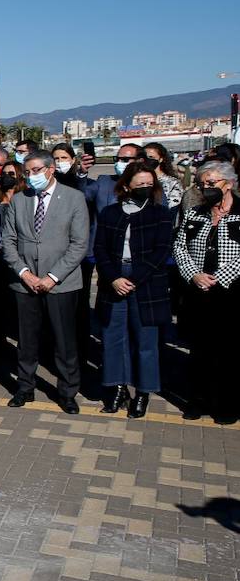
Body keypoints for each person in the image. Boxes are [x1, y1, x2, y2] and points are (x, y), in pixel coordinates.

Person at [1, 152, 90, 412]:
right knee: (27, 341)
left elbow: (79, 244)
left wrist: (52, 277)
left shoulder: (74, 198)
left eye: (35, 171)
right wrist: (24, 273)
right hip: (24, 282)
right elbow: (8, 241)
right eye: (27, 172)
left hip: (61, 283)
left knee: (64, 341)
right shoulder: (19, 200)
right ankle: (25, 387)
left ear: (51, 170)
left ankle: (67, 392)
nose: (31, 177)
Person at [94, 162, 172, 419]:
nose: (145, 189)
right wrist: (114, 277)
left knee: (145, 341)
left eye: (149, 185)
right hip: (114, 279)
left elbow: (161, 250)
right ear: (127, 186)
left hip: (146, 282)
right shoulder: (110, 213)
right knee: (113, 337)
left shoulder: (160, 214)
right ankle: (117, 388)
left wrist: (135, 278)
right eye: (140, 185)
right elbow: (100, 248)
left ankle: (143, 392)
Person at [174, 160, 240, 424]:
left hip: (231, 291)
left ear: (229, 184)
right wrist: (194, 275)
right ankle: (197, 400)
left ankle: (226, 404)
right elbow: (179, 246)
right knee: (199, 350)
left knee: (229, 351)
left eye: (212, 183)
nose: (206, 188)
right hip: (198, 291)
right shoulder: (195, 214)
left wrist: (221, 277)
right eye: (202, 184)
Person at [142, 142, 184, 209]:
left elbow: (172, 207)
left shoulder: (173, 183)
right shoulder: (138, 179)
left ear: (161, 159)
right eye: (145, 157)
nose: (147, 160)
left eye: (151, 157)